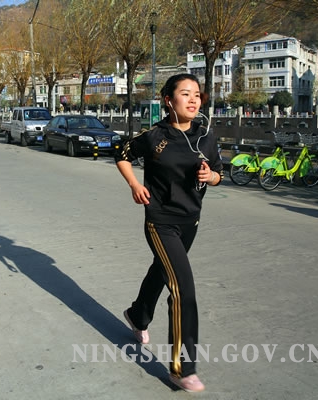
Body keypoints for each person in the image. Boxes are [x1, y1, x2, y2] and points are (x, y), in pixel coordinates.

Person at [114, 73, 223, 393]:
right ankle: (182, 368)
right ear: (168, 100)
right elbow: (121, 153)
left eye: (197, 94)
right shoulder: (155, 136)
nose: (193, 100)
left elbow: (219, 173)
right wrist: (134, 184)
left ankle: (137, 315)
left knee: (162, 271)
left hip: (191, 221)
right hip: (160, 221)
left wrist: (211, 176)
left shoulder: (206, 136)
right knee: (183, 288)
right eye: (185, 93)